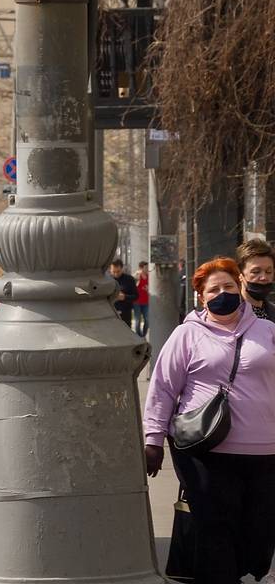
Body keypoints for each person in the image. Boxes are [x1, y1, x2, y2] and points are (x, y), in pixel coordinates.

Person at [143, 257, 275, 584]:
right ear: (201, 296)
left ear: (240, 288)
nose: (222, 293)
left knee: (259, 533)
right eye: (213, 289)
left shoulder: (268, 331)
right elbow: (162, 388)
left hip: (265, 450)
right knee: (215, 528)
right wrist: (153, 440)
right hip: (204, 450)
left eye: (228, 286)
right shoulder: (186, 335)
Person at [236, 237, 275, 322]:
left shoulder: (272, 312)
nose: (263, 277)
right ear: (241, 274)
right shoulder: (230, 314)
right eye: (256, 272)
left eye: (268, 272)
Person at [109, 258, 137, 328]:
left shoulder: (129, 279)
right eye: (113, 271)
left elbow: (136, 296)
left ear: (122, 268)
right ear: (110, 269)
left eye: (118, 271)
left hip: (126, 313)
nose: (116, 274)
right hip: (111, 313)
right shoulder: (107, 280)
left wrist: (124, 297)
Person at [133, 261, 150, 337]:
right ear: (141, 268)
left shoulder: (149, 276)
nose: (147, 269)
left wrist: (148, 289)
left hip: (146, 302)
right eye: (145, 267)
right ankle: (138, 336)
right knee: (138, 320)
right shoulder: (137, 276)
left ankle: (143, 335)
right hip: (137, 302)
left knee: (147, 319)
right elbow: (132, 286)